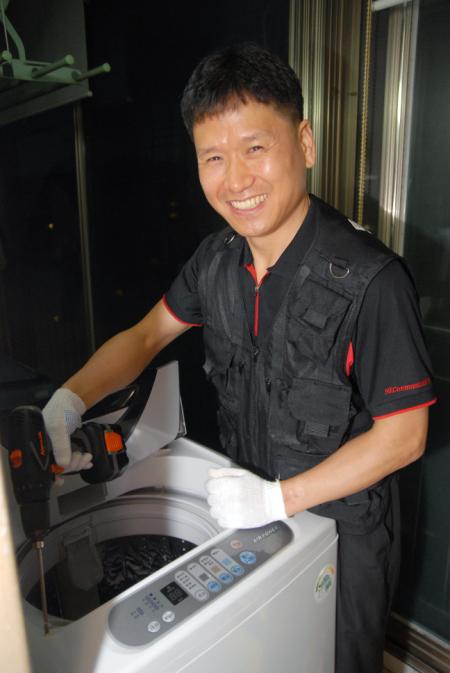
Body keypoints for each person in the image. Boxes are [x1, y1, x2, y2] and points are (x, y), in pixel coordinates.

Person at [43, 44, 436, 673]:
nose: (235, 181)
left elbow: (405, 435)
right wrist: (69, 399)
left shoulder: (373, 279)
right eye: (214, 157)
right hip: (245, 516)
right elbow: (145, 337)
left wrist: (280, 500)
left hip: (339, 534)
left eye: (255, 147)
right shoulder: (216, 261)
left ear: (304, 142)